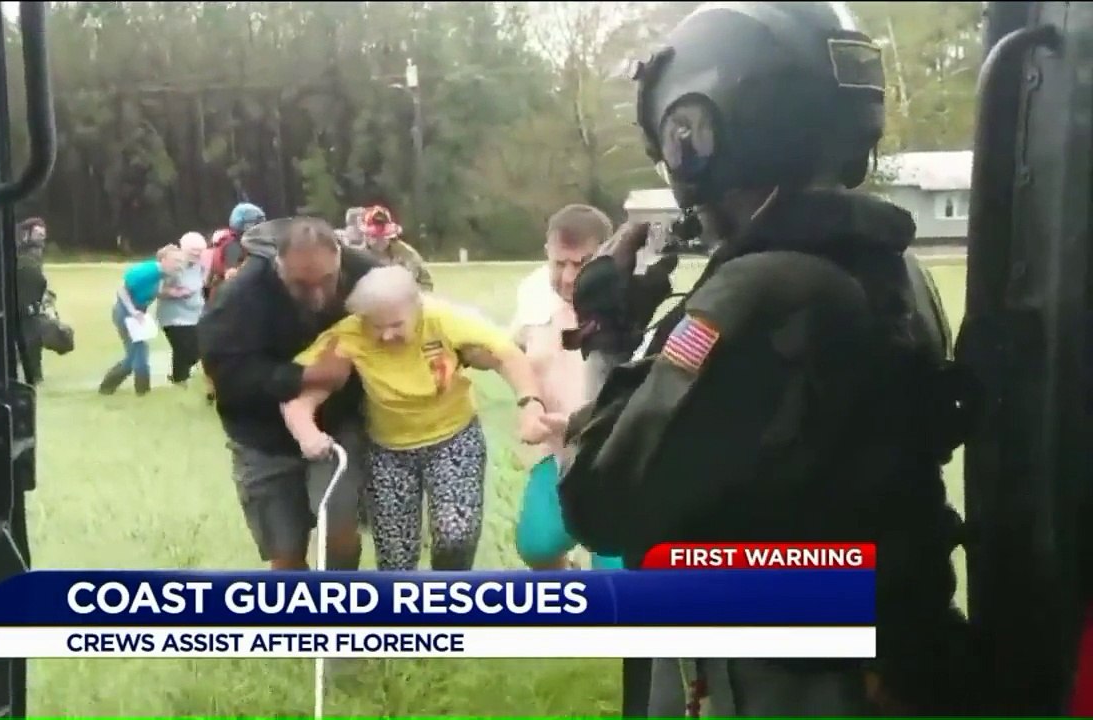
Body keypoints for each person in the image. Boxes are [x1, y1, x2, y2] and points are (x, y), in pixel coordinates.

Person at [554, 2, 969, 716]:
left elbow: (602, 499)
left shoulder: (763, 290)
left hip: (783, 677)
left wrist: (609, 337)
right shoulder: (892, 268)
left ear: (699, 132)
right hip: (890, 648)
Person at [280, 265, 552, 572]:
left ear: (417, 307)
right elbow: (299, 393)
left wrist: (530, 403)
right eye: (375, 326)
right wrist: (306, 433)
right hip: (388, 450)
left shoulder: (443, 319)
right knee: (397, 559)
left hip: (453, 438)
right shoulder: (349, 334)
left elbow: (507, 354)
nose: (386, 334)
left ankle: (446, 597)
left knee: (456, 536)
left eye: (396, 324)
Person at [198, 217, 380, 572]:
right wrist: (308, 375)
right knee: (286, 552)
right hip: (261, 436)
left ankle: (341, 608)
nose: (316, 297)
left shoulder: (369, 275)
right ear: (278, 268)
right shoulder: (240, 296)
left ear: (340, 258)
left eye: (327, 282)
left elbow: (413, 320)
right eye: (300, 285)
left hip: (337, 425)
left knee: (338, 527)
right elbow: (228, 377)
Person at [509, 204, 623, 571]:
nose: (570, 277)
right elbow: (509, 352)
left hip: (617, 458)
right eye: (560, 263)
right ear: (547, 253)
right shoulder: (532, 293)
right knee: (536, 546)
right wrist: (530, 404)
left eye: (583, 263)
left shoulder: (631, 298)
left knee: (614, 574)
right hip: (558, 453)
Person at [98, 246, 184, 397]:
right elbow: (122, 290)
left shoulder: (164, 275)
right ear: (163, 260)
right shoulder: (148, 271)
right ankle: (137, 391)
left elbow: (150, 291)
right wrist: (132, 311)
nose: (179, 264)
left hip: (138, 313)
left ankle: (113, 388)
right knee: (138, 355)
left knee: (137, 354)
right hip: (125, 313)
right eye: (175, 260)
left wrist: (171, 293)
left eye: (180, 260)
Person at [158, 232, 208, 386]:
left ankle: (178, 377)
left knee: (196, 351)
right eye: (194, 250)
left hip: (195, 315)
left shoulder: (199, 265)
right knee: (184, 349)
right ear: (184, 248)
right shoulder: (175, 266)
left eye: (200, 250)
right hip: (174, 317)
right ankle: (180, 380)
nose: (198, 253)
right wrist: (176, 293)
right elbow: (158, 290)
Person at [358, 205, 433, 291]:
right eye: (374, 236)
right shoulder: (356, 256)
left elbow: (426, 283)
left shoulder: (407, 254)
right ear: (365, 236)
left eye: (384, 235)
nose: (380, 239)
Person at [15, 218, 49, 385]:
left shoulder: (34, 255)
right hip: (23, 306)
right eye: (38, 234)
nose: (41, 237)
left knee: (33, 342)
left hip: (31, 305)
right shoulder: (23, 256)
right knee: (29, 342)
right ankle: (33, 377)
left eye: (43, 234)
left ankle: (34, 376)